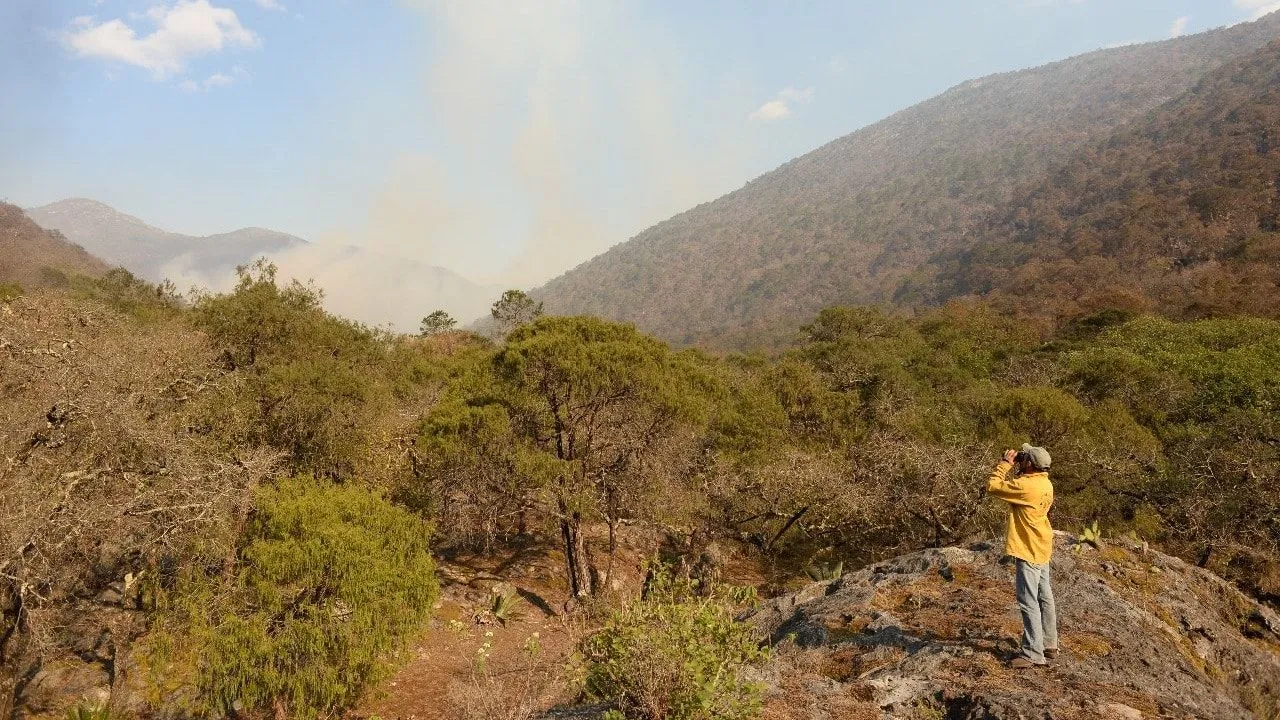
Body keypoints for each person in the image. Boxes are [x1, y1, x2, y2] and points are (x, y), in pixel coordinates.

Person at [987, 443, 1057, 669]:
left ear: (1030, 464)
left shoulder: (1025, 486)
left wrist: (1005, 465)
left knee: (1028, 601)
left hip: (1028, 548)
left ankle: (1033, 653)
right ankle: (1049, 644)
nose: (1020, 458)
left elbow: (993, 486)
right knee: (1045, 597)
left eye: (1024, 457)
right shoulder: (1046, 483)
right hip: (1042, 545)